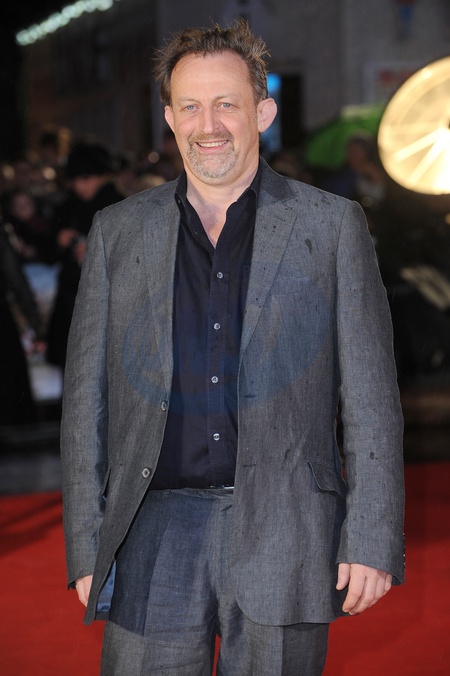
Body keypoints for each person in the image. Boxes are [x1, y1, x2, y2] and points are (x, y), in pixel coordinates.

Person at [61, 19, 405, 676]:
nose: (208, 124)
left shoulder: (331, 226)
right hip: (152, 529)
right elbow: (85, 402)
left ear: (262, 112)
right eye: (190, 106)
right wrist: (85, 542)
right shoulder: (118, 232)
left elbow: (370, 395)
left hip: (288, 527)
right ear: (169, 117)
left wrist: (372, 534)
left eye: (226, 103)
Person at [46, 138, 124, 368]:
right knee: (73, 365)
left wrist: (98, 250)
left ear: (103, 176)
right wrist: (59, 241)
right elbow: (47, 253)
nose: (80, 186)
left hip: (108, 301)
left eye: (86, 179)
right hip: (72, 298)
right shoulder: (67, 207)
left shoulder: (120, 206)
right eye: (75, 180)